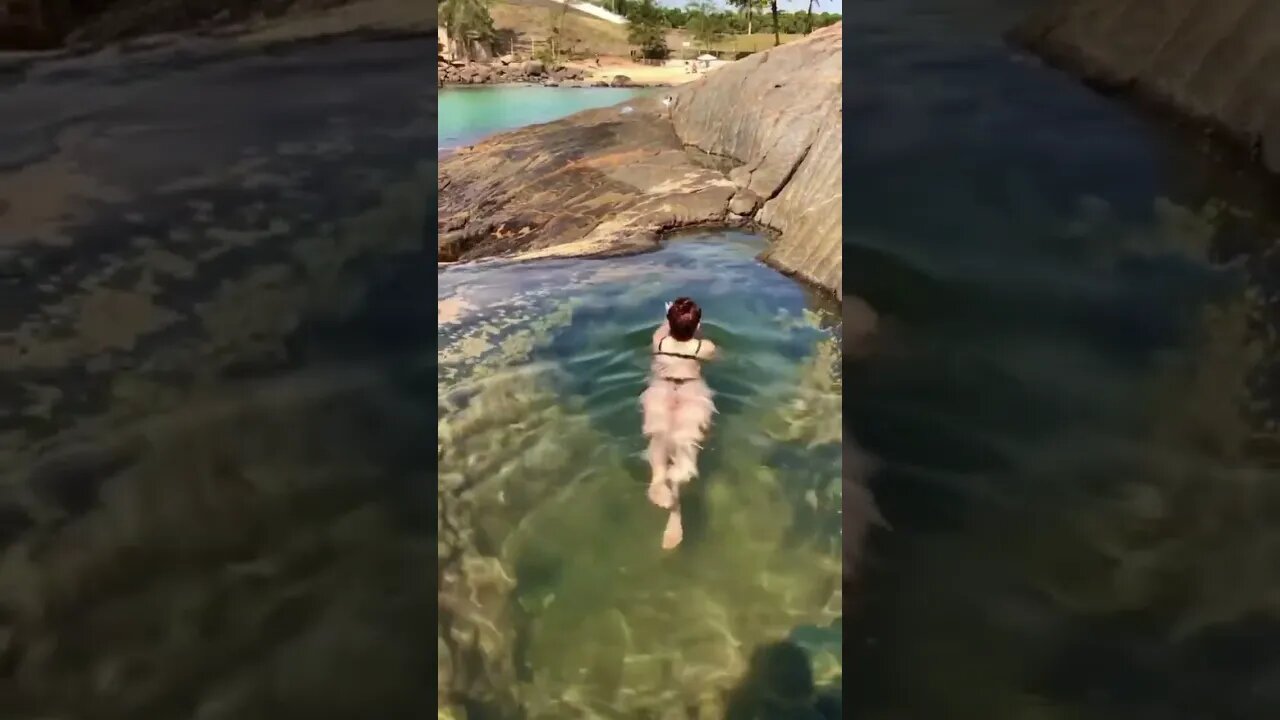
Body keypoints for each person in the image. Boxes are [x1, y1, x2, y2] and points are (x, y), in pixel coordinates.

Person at [640, 297, 718, 550]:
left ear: (669, 322)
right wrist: (696, 329)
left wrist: (670, 317)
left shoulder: (658, 339)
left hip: (661, 389)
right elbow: (714, 357)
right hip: (690, 391)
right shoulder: (704, 347)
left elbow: (666, 330)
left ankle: (657, 479)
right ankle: (675, 510)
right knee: (685, 444)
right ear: (696, 325)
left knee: (658, 434)